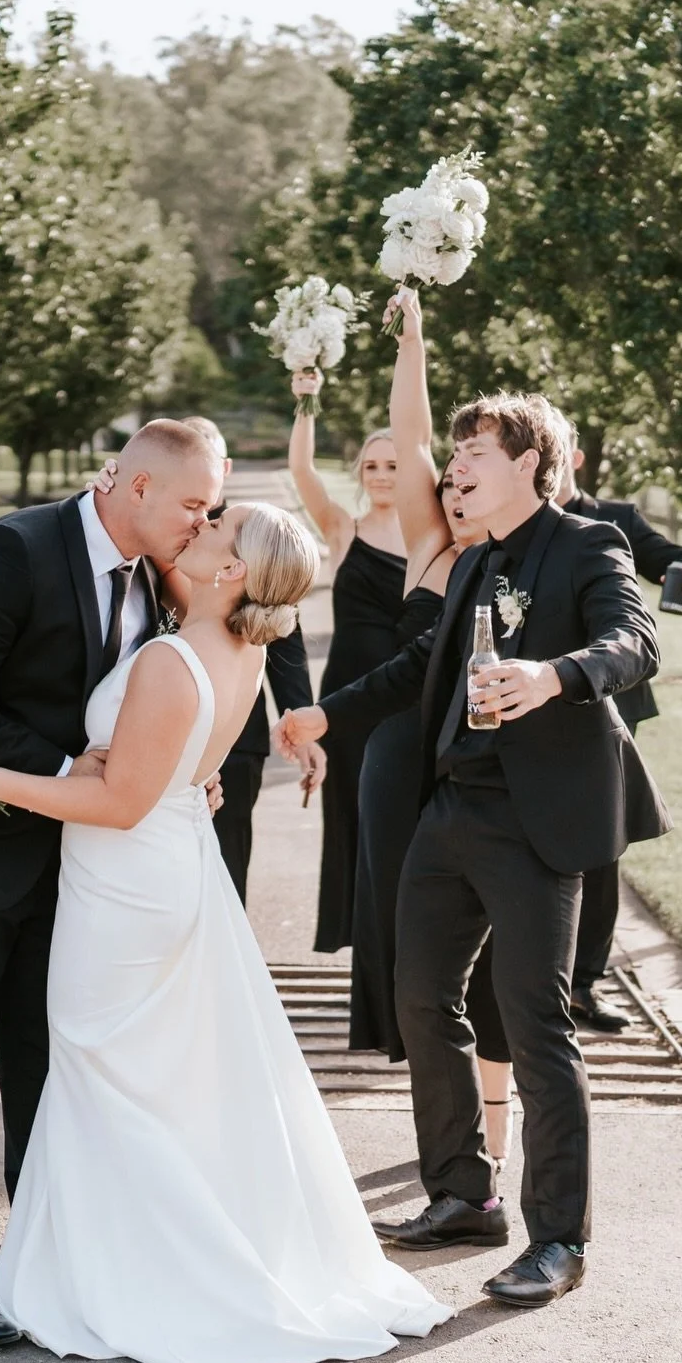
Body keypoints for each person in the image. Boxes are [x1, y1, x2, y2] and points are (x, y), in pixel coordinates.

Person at [0, 503, 451, 1363]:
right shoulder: (240, 650)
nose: (203, 526)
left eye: (220, 527)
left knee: (103, 1070)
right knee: (138, 1076)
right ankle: (118, 1247)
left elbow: (118, 800)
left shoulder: (175, 661)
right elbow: (184, 766)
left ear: (232, 572)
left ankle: (127, 1270)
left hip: (125, 884)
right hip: (167, 868)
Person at [277, 391, 668, 1307]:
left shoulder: (588, 545)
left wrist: (554, 675)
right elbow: (422, 667)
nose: (453, 469)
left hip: (540, 822)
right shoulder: (470, 563)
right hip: (451, 811)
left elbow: (634, 640)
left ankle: (559, 1239)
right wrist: (327, 711)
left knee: (537, 1025)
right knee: (418, 996)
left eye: (474, 452)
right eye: (453, 454)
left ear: (529, 462)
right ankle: (462, 1192)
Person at [0, 422, 225, 1348]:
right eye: (195, 504)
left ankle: (40, 1254)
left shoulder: (163, 580)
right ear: (134, 486)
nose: (206, 522)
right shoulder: (14, 550)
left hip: (84, 877)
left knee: (50, 1068)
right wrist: (61, 764)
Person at [350, 289, 514, 1167]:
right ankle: (449, 1137)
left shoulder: (509, 557)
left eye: (464, 475)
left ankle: (493, 1129)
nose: (449, 485)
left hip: (478, 768)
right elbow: (411, 435)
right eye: (443, 478)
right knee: (420, 951)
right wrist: (413, 339)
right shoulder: (429, 547)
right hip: (395, 764)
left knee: (494, 952)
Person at [555, 428, 682, 1033]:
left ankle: (582, 986)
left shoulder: (615, 518)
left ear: (569, 456)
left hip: (606, 703)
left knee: (602, 845)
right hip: (521, 701)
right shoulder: (500, 518)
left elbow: (665, 558)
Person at [176, 418, 321, 903]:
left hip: (235, 738)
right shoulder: (165, 536)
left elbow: (283, 637)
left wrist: (299, 716)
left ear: (225, 467)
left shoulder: (243, 538)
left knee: (226, 865)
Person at [287, 375, 407, 953]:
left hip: (405, 696)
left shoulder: (436, 537)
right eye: (372, 467)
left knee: (399, 823)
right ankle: (357, 944)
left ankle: (401, 947)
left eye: (393, 466)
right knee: (349, 820)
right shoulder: (343, 529)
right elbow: (303, 473)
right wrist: (306, 400)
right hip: (345, 695)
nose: (382, 476)